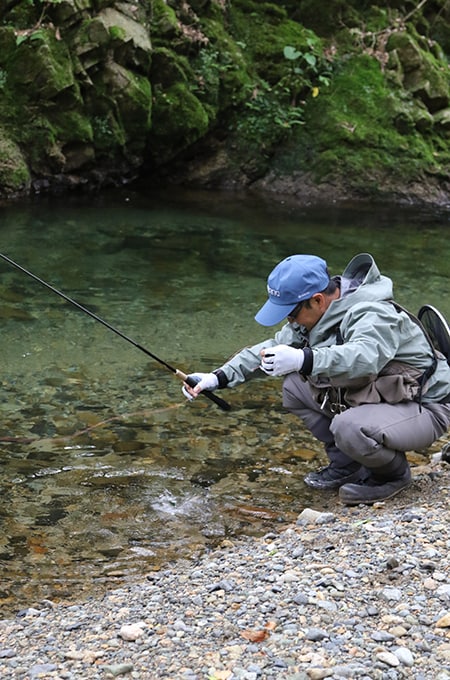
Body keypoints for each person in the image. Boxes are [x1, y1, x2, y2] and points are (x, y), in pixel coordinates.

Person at [183, 253, 450, 505]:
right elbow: (268, 350)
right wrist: (217, 377)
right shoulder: (316, 317)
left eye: (292, 312)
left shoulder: (372, 313)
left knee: (349, 427)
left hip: (426, 406)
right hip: (388, 397)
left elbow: (366, 357)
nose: (289, 320)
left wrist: (304, 359)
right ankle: (348, 465)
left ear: (318, 300)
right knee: (294, 388)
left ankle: (392, 476)